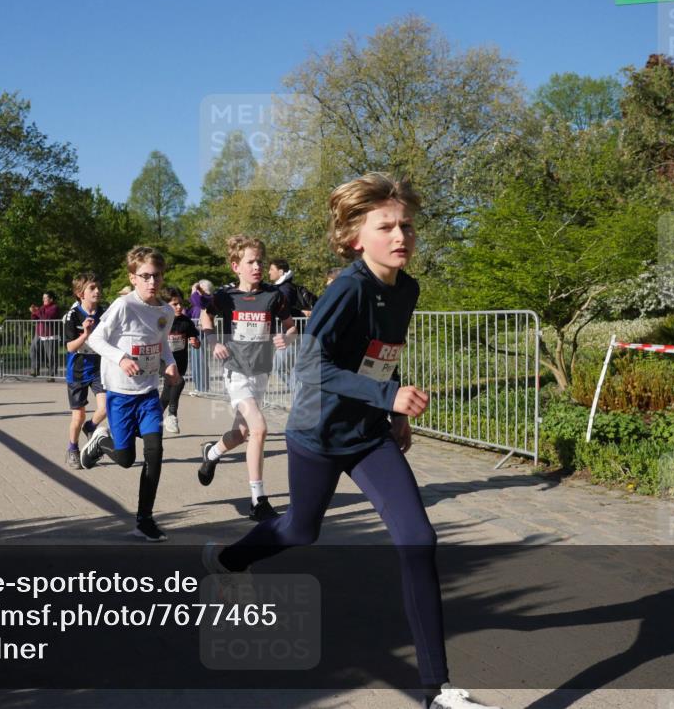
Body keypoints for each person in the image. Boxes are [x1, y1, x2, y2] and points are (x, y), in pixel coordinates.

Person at [204, 174, 500, 709]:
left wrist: (393, 411)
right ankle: (229, 561)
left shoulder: (406, 289)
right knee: (300, 530)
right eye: (385, 226)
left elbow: (383, 350)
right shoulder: (347, 288)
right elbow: (311, 369)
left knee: (418, 540)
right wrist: (388, 395)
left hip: (368, 436)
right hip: (317, 434)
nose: (400, 235)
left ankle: (436, 691)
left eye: (406, 225)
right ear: (354, 238)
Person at [80, 246, 181, 542]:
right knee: (125, 458)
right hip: (120, 393)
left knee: (155, 452)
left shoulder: (166, 311)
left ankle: (144, 519)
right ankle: (101, 441)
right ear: (133, 278)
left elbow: (162, 344)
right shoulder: (124, 305)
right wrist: (121, 358)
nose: (152, 282)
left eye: (157, 276)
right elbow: (96, 339)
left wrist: (170, 364)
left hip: (148, 392)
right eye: (145, 276)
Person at [198, 235, 297, 521]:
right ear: (235, 266)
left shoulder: (273, 296)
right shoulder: (226, 296)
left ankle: (212, 453)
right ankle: (258, 500)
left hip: (261, 372)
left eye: (259, 262)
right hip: (236, 371)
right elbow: (205, 316)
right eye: (250, 262)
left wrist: (287, 338)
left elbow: (291, 326)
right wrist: (212, 341)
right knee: (259, 429)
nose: (256, 267)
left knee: (241, 434)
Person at [62, 273, 108, 469]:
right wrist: (86, 334)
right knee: (78, 416)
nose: (97, 291)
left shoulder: (104, 313)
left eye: (98, 287)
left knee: (106, 406)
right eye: (92, 288)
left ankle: (91, 427)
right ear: (81, 293)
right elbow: (70, 347)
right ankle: (73, 449)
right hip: (78, 371)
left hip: (99, 368)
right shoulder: (72, 316)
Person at [159, 285, 201, 434]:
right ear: (165, 305)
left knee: (167, 392)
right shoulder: (160, 321)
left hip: (180, 362)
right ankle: (172, 415)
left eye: (180, 303)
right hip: (163, 362)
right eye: (174, 304)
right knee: (179, 382)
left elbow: (196, 341)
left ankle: (152, 417)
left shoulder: (186, 322)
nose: (179, 307)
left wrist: (195, 343)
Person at [188, 280, 214, 394]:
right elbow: (191, 310)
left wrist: (195, 290)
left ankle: (202, 388)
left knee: (200, 360)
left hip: (202, 332)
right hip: (195, 332)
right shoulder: (200, 301)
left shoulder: (208, 298)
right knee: (195, 361)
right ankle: (198, 386)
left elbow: (198, 302)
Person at [29, 291, 61, 378]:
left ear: (51, 299)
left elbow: (46, 317)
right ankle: (35, 369)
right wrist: (33, 312)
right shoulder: (42, 307)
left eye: (45, 298)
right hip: (39, 334)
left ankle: (51, 375)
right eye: (43, 298)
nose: (43, 299)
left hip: (50, 335)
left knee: (50, 355)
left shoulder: (54, 308)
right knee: (33, 350)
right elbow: (35, 319)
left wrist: (36, 311)